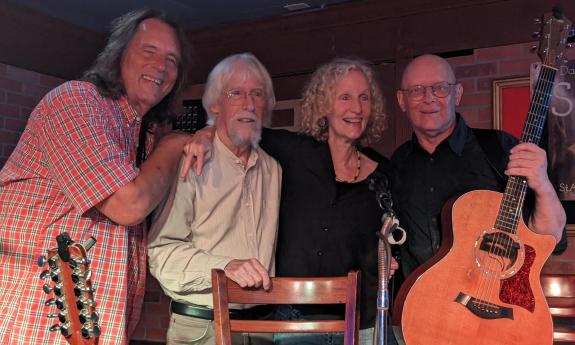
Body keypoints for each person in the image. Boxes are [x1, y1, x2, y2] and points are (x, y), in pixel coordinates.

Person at [0, 9, 192, 345]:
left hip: (95, 325)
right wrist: (176, 144)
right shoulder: (77, 101)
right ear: (119, 55)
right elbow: (128, 205)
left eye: (172, 60)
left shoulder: (140, 137)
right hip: (37, 320)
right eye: (149, 51)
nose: (161, 67)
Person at [184, 58, 399, 345]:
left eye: (364, 98)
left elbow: (393, 240)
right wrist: (204, 134)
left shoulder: (383, 176)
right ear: (324, 105)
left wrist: (391, 259)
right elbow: (235, 126)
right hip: (292, 326)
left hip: (361, 328)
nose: (356, 109)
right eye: (344, 97)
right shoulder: (294, 152)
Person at [391, 54, 566, 281]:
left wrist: (542, 185)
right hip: (420, 308)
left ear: (458, 94)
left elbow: (552, 240)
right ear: (401, 101)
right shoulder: (396, 164)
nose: (429, 98)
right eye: (416, 90)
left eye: (440, 88)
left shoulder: (501, 149)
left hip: (492, 307)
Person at [147, 53, 282, 345]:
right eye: (236, 93)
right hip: (201, 328)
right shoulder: (191, 161)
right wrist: (226, 266)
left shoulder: (274, 169)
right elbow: (161, 255)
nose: (248, 103)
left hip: (262, 331)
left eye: (257, 94)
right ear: (215, 104)